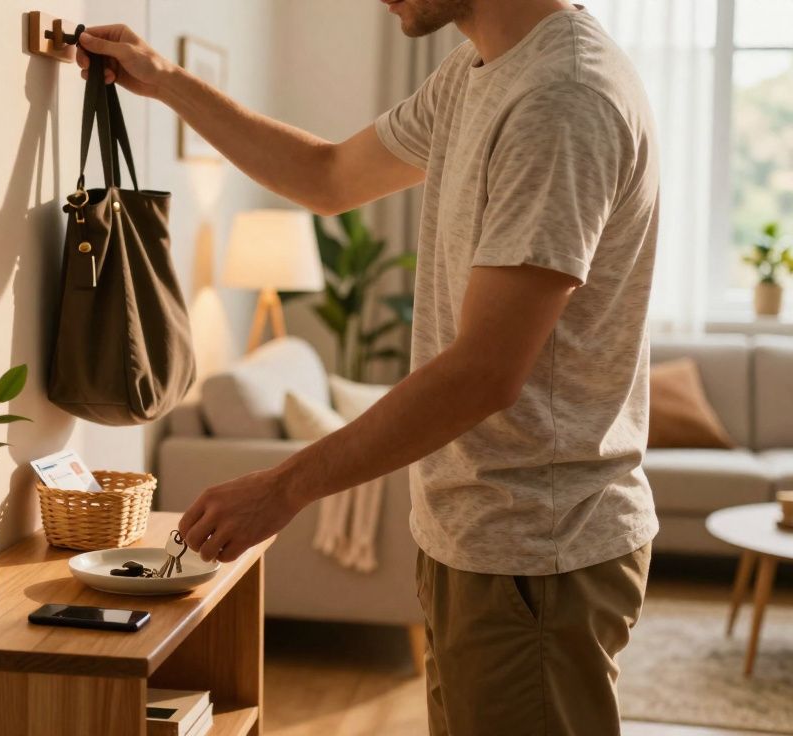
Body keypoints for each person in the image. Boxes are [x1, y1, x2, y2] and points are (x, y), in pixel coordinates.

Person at [75, 1, 658, 733]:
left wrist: (282, 487)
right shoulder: (478, 71)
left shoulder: (562, 97)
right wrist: (165, 82)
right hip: (476, 539)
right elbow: (328, 176)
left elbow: (485, 371)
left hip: (535, 554)